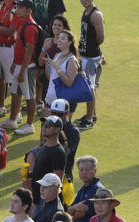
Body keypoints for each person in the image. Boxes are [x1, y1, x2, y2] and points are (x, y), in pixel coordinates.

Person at [0, 0, 39, 135]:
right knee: (15, 92)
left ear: (29, 10)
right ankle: (12, 120)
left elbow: (29, 50)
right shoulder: (21, 23)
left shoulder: (29, 27)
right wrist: (14, 64)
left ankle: (29, 125)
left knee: (29, 96)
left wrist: (22, 70)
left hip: (27, 67)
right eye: (18, 7)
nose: (18, 9)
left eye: (21, 8)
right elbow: (20, 46)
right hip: (20, 65)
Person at [75, 0, 105, 130]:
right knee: (90, 86)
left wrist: (90, 50)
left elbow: (101, 38)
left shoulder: (95, 14)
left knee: (90, 87)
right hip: (86, 55)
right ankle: (91, 115)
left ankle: (88, 121)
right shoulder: (86, 11)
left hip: (91, 57)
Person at [29, 115, 66, 208]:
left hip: (45, 201)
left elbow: (56, 181)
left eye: (48, 125)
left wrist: (47, 204)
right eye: (44, 124)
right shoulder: (44, 146)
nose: (44, 127)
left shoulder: (58, 152)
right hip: (37, 198)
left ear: (57, 129)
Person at [0, 0, 19, 117]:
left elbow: (9, 32)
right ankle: (1, 107)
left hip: (11, 47)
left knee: (12, 81)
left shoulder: (17, 8)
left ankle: (16, 113)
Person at [43, 30, 80, 117]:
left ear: (70, 42)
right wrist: (47, 66)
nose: (59, 40)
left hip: (62, 104)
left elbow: (69, 82)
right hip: (50, 99)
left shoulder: (71, 60)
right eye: (59, 38)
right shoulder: (56, 55)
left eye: (62, 39)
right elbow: (50, 78)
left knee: (60, 129)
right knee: (45, 127)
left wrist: (57, 68)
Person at [67, 155, 103, 222]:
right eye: (81, 170)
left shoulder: (97, 190)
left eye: (87, 170)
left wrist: (71, 212)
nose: (84, 172)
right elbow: (69, 211)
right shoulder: (83, 189)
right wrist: (74, 208)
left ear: (95, 170)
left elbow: (80, 213)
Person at [37, 16, 70, 105]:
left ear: (64, 28)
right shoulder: (47, 41)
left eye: (59, 25)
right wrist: (44, 49)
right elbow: (40, 62)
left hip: (60, 79)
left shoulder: (67, 43)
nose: (56, 27)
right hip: (47, 79)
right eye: (54, 24)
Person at [50, 99, 80, 181]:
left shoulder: (73, 131)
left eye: (58, 114)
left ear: (67, 113)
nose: (55, 117)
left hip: (64, 177)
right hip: (48, 174)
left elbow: (63, 154)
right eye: (53, 114)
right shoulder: (49, 126)